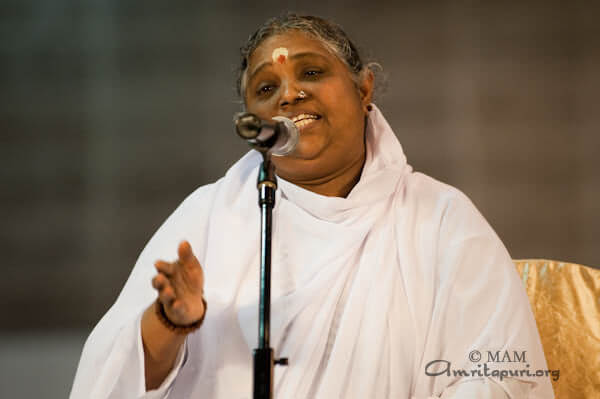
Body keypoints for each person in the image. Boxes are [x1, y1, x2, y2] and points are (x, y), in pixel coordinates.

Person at [71, 14, 554, 399]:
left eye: (312, 72)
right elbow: (115, 381)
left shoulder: (442, 220)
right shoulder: (209, 217)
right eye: (266, 89)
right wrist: (172, 322)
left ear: (364, 89)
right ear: (252, 120)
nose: (290, 93)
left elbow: (499, 377)